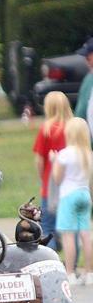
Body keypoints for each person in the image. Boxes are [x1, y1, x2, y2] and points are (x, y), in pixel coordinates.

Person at [51, 117, 93, 285]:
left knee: (68, 236)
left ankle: (70, 273)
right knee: (86, 235)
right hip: (84, 195)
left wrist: (54, 161)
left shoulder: (65, 154)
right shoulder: (88, 154)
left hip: (69, 196)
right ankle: (90, 273)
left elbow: (57, 178)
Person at [33, 91, 71, 246]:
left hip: (50, 186)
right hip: (70, 185)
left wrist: (43, 177)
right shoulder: (73, 128)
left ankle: (52, 260)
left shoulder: (46, 129)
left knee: (48, 226)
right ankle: (72, 265)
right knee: (69, 227)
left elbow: (39, 160)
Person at [75, 38, 93, 128]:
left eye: (88, 55)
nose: (86, 59)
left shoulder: (89, 79)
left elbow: (80, 114)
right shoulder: (88, 79)